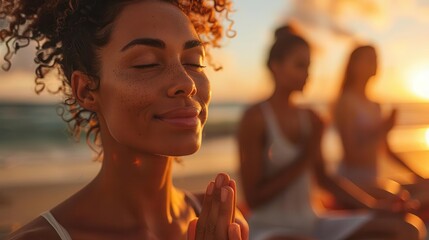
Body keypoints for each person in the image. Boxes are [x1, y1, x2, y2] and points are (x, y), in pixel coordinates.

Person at [1, 0, 248, 239]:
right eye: (147, 64)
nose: (187, 83)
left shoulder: (218, 220)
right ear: (86, 90)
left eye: (194, 62)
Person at [237, 26, 426, 240]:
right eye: (300, 65)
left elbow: (324, 179)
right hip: (272, 229)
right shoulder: (256, 118)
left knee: (408, 227)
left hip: (314, 221)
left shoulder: (309, 118)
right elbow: (254, 198)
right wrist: (307, 154)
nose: (307, 73)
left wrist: (373, 206)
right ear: (275, 67)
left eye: (309, 66)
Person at [333, 45, 429, 216]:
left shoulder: (375, 105)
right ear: (354, 65)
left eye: (376, 59)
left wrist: (419, 175)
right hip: (352, 181)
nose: (376, 63)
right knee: (399, 198)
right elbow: (352, 154)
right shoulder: (345, 102)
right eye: (369, 59)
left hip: (374, 179)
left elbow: (386, 150)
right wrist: (383, 130)